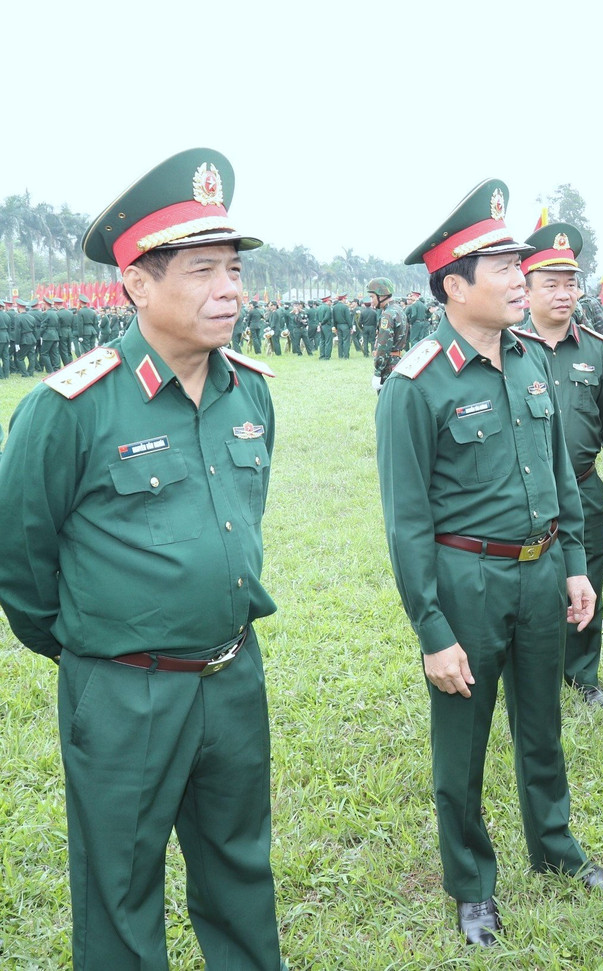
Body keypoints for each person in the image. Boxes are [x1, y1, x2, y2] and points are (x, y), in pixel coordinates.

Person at [0, 148, 286, 970]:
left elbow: (240, 518)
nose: (229, 288)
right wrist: (96, 644)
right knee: (119, 892)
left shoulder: (252, 392)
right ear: (137, 285)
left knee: (241, 869)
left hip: (233, 677)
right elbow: (19, 557)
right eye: (202, 271)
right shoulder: (70, 407)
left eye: (233, 269)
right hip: (124, 692)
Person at [375, 178, 603, 948]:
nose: (521, 277)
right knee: (463, 741)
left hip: (542, 569)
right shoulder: (414, 386)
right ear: (454, 285)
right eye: (502, 267)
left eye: (520, 264)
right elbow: (406, 522)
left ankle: (556, 850)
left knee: (542, 727)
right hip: (467, 578)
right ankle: (471, 884)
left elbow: (562, 477)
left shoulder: (527, 361)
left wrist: (577, 565)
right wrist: (431, 628)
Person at [516, 222, 603, 707]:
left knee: (587, 578)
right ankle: (526, 675)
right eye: (551, 284)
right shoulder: (507, 350)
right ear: (526, 288)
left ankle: (582, 673)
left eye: (571, 283)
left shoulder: (597, 352)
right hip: (522, 492)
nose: (564, 295)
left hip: (583, 488)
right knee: (528, 585)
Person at [370, 278, 409, 391]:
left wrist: (377, 372)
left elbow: (383, 345)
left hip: (388, 364)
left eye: (372, 297)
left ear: (381, 296)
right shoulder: (399, 310)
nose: (371, 301)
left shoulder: (387, 315)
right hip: (396, 360)